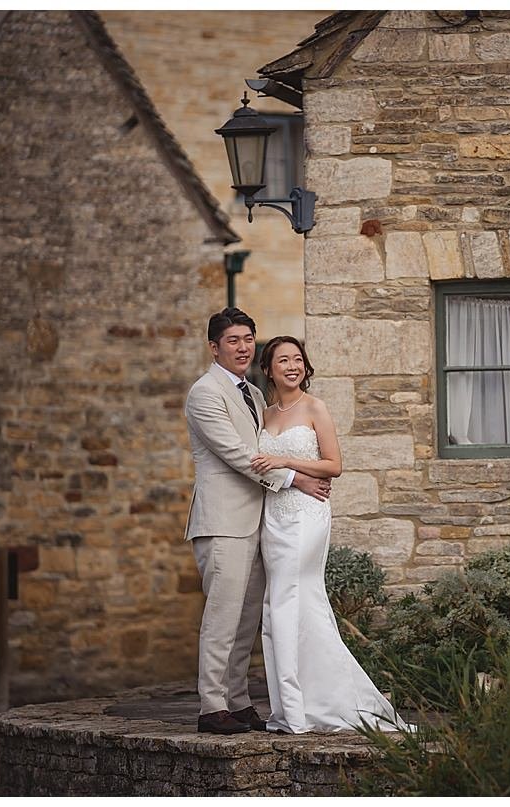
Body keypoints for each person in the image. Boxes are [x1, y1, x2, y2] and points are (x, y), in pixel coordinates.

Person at [183, 308, 331, 735]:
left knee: (247, 616)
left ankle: (238, 699)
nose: (243, 347)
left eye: (248, 338)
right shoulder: (205, 393)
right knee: (222, 616)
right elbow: (237, 454)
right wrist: (296, 478)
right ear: (214, 347)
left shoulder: (251, 392)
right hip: (223, 521)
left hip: (259, 520)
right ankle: (212, 706)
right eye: (233, 340)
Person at [250, 335, 408, 733]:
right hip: (275, 515)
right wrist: (287, 476)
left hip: (307, 516)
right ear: (268, 368)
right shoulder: (264, 415)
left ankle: (299, 708)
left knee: (290, 598)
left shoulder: (315, 407)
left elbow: (333, 465)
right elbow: (258, 469)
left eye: (298, 359)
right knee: (280, 605)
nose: (292, 366)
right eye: (282, 360)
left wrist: (286, 460)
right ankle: (293, 704)